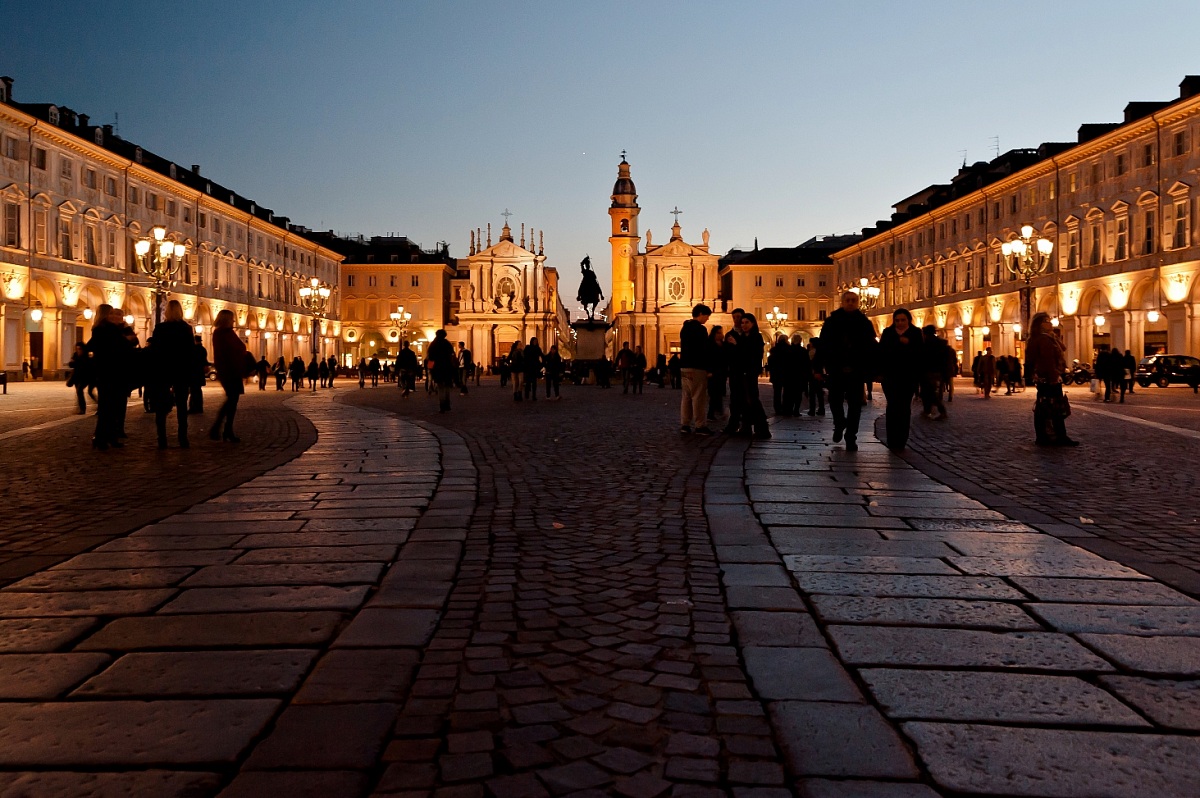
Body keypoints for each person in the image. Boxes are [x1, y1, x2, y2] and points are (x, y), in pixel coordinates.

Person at [819, 291, 877, 451]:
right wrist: (818, 367)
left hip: (856, 369)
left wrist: (873, 369)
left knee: (855, 405)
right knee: (834, 400)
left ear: (857, 302)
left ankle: (851, 436)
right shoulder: (832, 321)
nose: (851, 303)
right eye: (848, 300)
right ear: (842, 302)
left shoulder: (864, 322)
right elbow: (823, 345)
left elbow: (871, 347)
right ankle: (839, 423)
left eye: (854, 300)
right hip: (836, 368)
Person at [1025, 312, 1078, 447]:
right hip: (1049, 378)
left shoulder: (1044, 338)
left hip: (1044, 378)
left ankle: (1045, 435)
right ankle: (1058, 435)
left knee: (1044, 406)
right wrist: (1053, 376)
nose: (1050, 323)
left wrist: (1054, 336)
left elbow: (1063, 348)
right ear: (1040, 324)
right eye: (1047, 321)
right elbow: (1047, 360)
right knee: (1054, 407)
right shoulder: (1043, 340)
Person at [149, 299, 196, 449]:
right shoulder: (186, 328)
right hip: (181, 371)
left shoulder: (160, 328)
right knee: (182, 407)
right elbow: (190, 352)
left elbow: (154, 351)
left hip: (163, 371)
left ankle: (162, 439)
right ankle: (183, 438)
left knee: (161, 408)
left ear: (167, 311)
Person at [86, 304, 133, 450]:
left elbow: (132, 342)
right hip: (112, 372)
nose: (115, 316)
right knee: (109, 407)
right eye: (112, 313)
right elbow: (124, 345)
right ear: (106, 315)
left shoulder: (102, 329)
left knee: (110, 407)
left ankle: (107, 437)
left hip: (108, 372)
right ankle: (103, 438)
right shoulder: (107, 329)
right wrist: (126, 336)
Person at [878, 308, 923, 451]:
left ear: (908, 320)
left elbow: (920, 354)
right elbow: (882, 353)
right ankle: (892, 439)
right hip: (890, 377)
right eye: (897, 320)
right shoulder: (888, 333)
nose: (900, 323)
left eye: (903, 320)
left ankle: (902, 438)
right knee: (892, 406)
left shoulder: (915, 333)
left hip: (908, 377)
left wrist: (908, 344)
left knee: (904, 407)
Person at [209, 308, 247, 443]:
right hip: (230, 370)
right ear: (226, 319)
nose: (234, 320)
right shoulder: (225, 333)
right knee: (232, 400)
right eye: (232, 318)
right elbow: (236, 349)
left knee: (232, 400)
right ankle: (221, 428)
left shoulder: (220, 333)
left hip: (228, 370)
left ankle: (224, 429)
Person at [733, 313, 770, 439]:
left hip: (750, 372)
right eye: (742, 323)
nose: (744, 325)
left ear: (753, 323)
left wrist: (736, 345)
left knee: (752, 399)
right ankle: (746, 427)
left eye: (746, 322)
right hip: (741, 372)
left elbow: (750, 354)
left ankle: (762, 428)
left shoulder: (756, 337)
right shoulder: (743, 337)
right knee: (744, 400)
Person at [679, 303, 713, 434]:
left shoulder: (685, 328)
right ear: (700, 314)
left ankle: (685, 424)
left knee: (686, 396)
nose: (707, 319)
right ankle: (700, 425)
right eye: (706, 316)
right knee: (698, 397)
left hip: (685, 366)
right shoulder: (700, 330)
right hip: (697, 366)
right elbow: (704, 350)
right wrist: (709, 368)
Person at [920, 325, 952, 420]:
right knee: (930, 391)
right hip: (939, 372)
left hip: (928, 371)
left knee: (929, 392)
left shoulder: (926, 344)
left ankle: (940, 411)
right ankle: (927, 411)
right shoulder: (942, 344)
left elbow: (922, 359)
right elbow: (946, 360)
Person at [427, 329, 457, 412]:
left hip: (437, 368)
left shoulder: (433, 345)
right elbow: (452, 355)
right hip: (447, 367)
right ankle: (447, 404)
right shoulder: (447, 344)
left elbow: (430, 358)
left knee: (440, 387)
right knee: (447, 386)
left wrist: (430, 368)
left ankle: (442, 405)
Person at [767, 334, 791, 416]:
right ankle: (785, 408)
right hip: (787, 374)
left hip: (776, 374)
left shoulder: (774, 350)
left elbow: (770, 361)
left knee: (777, 392)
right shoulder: (789, 349)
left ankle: (777, 408)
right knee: (787, 392)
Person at [706, 326, 727, 421]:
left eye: (721, 332)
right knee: (714, 394)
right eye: (718, 332)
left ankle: (719, 411)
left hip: (721, 372)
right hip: (713, 373)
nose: (720, 334)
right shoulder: (710, 344)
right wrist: (709, 371)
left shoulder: (723, 344)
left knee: (719, 393)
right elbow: (708, 359)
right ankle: (711, 414)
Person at [67, 342, 90, 414]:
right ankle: (81, 408)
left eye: (80, 349)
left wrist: (76, 363)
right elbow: (71, 364)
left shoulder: (87, 355)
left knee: (80, 390)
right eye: (77, 349)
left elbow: (86, 365)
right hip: (77, 376)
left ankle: (83, 409)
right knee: (78, 391)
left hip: (85, 376)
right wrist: (76, 363)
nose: (78, 350)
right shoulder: (75, 354)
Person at [189, 335, 208, 414]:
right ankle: (199, 407)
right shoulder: (203, 349)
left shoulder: (194, 349)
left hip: (194, 373)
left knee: (194, 391)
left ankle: (194, 407)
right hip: (200, 373)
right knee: (198, 391)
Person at [807, 337, 826, 416]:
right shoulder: (820, 351)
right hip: (817, 373)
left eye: (811, 342)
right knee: (818, 393)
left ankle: (813, 410)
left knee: (813, 393)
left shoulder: (814, 352)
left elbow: (816, 363)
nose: (810, 344)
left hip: (815, 374)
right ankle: (820, 409)